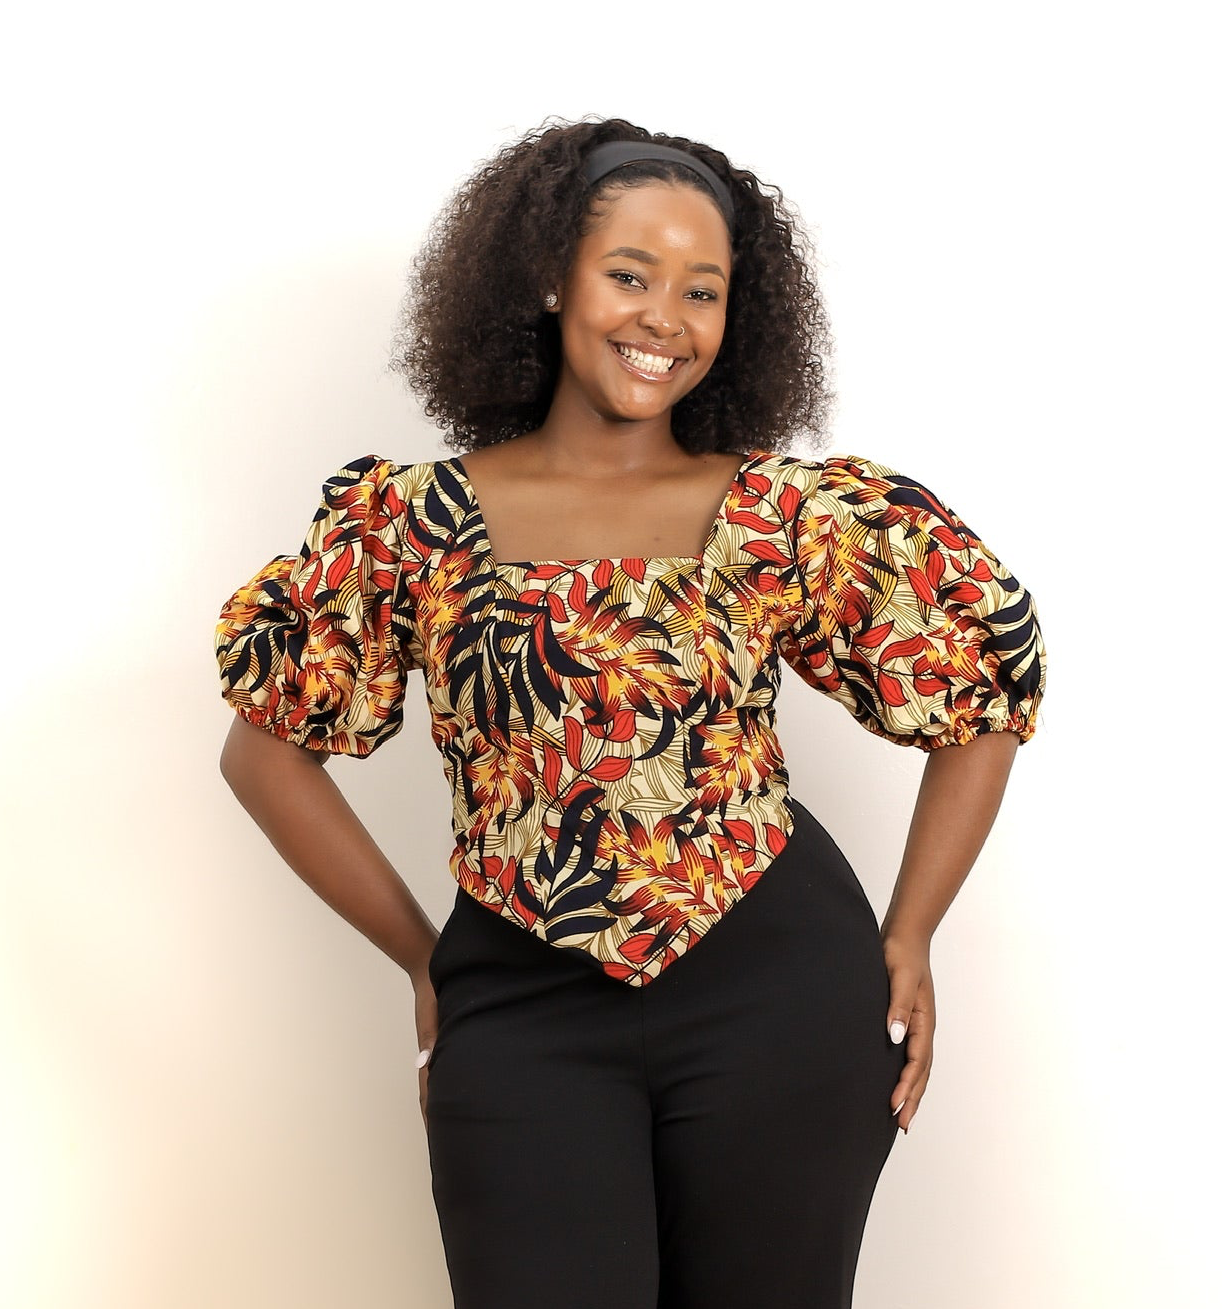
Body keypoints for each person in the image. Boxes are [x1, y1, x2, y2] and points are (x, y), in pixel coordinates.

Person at [215, 117, 1046, 1309]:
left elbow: (981, 686)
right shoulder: (408, 523)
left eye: (701, 290)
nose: (664, 318)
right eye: (628, 274)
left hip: (780, 991)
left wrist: (910, 932)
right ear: (551, 279)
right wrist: (424, 956)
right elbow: (265, 755)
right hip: (520, 1002)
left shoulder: (782, 515)